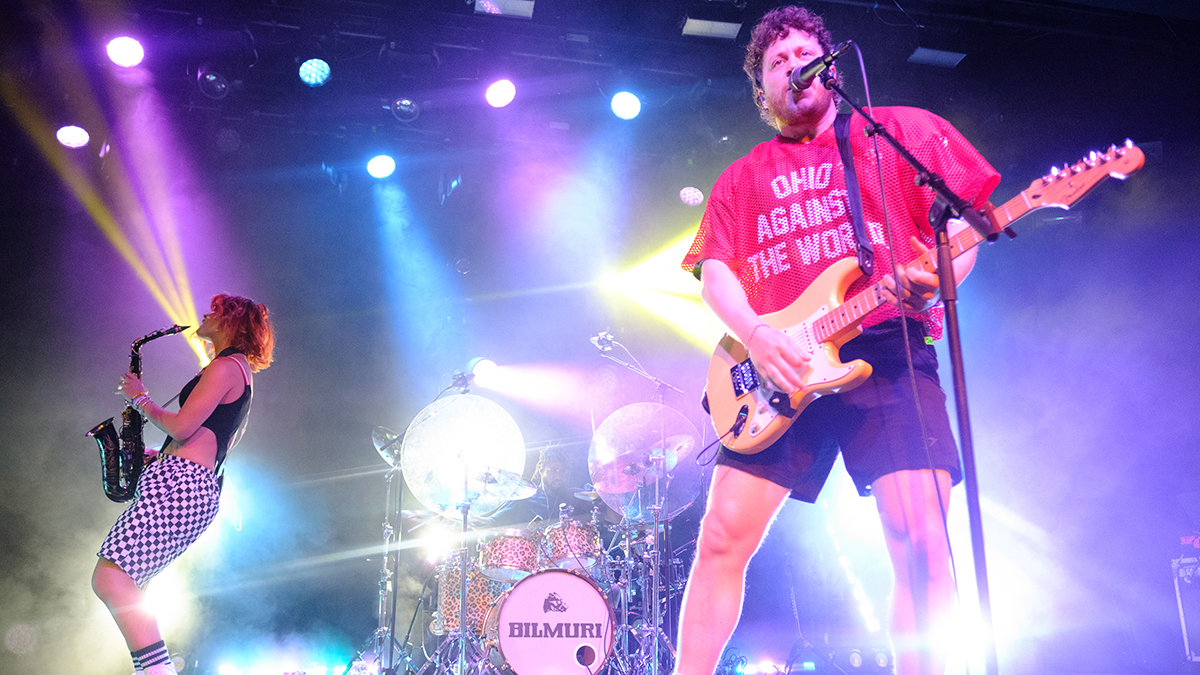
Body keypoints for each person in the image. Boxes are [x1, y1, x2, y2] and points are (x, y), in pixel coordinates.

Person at [675, 7, 1000, 675]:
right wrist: (760, 336)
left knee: (922, 543)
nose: (793, 61)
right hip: (779, 365)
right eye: (775, 60)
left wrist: (939, 281)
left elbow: (965, 229)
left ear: (832, 65)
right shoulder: (743, 176)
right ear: (763, 92)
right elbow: (714, 275)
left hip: (887, 348)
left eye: (804, 50)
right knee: (721, 537)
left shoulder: (903, 132)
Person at [95, 294, 275, 675]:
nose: (206, 314)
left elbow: (181, 426)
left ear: (232, 322)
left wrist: (140, 399)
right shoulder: (235, 371)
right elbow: (206, 438)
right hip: (184, 482)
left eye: (217, 311)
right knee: (125, 583)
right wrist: (158, 456)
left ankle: (157, 671)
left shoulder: (227, 367)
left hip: (182, 485)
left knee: (112, 579)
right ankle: (151, 670)